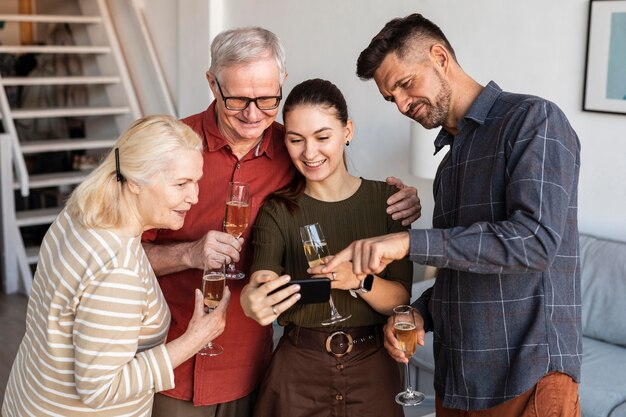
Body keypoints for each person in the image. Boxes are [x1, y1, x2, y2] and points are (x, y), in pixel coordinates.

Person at [141, 27, 422, 417]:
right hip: (174, 363)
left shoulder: (289, 149)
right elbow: (113, 254)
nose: (253, 114)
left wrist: (403, 199)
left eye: (268, 99)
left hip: (257, 371)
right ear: (212, 82)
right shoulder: (167, 148)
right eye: (237, 99)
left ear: (282, 83)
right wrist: (189, 254)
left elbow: (332, 180)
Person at [321, 13, 582, 417]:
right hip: (457, 384)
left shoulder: (533, 121)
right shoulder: (449, 166)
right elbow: (461, 273)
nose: (403, 105)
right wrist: (418, 314)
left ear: (440, 57)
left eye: (405, 85)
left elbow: (535, 241)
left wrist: (409, 242)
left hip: (527, 377)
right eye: (392, 99)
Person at [1, 115, 231, 417]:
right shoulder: (117, 270)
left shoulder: (81, 214)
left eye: (196, 181)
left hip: (30, 399)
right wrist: (194, 340)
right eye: (181, 184)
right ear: (135, 181)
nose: (195, 196)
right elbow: (99, 389)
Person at [240, 78, 412, 417]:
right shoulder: (277, 210)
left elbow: (401, 300)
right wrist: (251, 298)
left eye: (322, 137)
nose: (309, 153)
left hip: (373, 370)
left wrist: (358, 280)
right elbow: (260, 278)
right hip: (297, 375)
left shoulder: (389, 202)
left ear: (347, 130)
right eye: (295, 140)